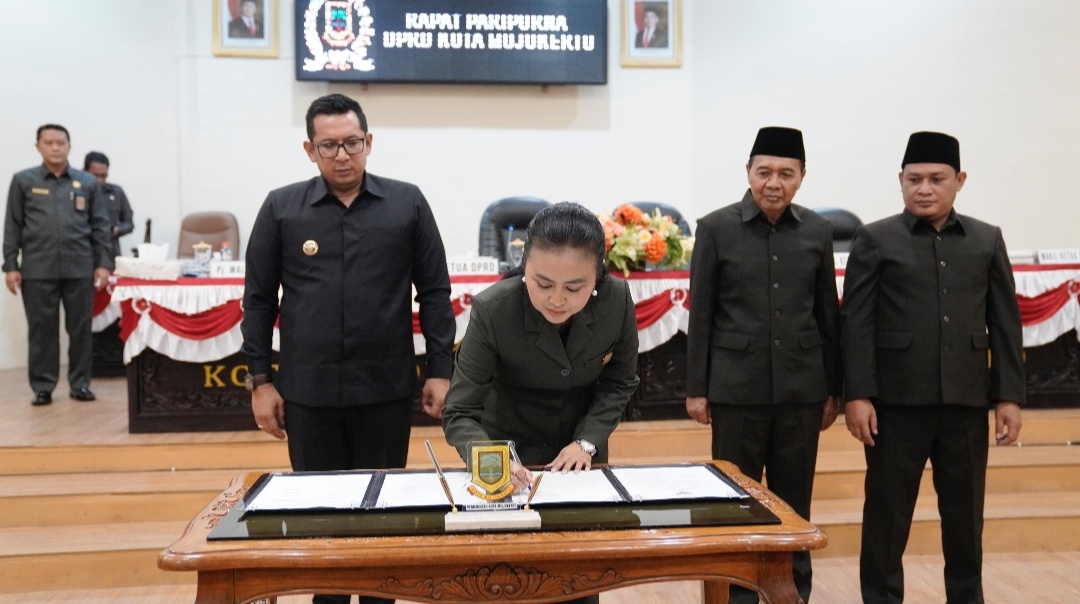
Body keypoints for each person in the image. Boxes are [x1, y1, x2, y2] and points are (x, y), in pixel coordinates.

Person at [241, 93, 455, 604]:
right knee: (321, 518)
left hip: (383, 389)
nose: (342, 155)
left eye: (352, 143)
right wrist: (260, 381)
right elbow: (257, 298)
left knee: (383, 516)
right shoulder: (281, 207)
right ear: (309, 150)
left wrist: (441, 369)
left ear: (369, 142)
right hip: (308, 392)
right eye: (329, 145)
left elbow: (435, 291)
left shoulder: (408, 203)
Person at [842, 131, 1025, 604]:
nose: (924, 188)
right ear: (900, 181)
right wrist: (856, 394)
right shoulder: (875, 238)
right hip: (895, 407)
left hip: (965, 405)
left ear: (959, 180)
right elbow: (856, 322)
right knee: (886, 519)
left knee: (966, 523)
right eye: (914, 179)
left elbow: (1005, 323)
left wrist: (1008, 396)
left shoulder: (987, 240)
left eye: (936, 179)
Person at [685, 126, 841, 603]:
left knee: (795, 505)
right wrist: (697, 387)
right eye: (765, 172)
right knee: (735, 503)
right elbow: (703, 312)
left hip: (801, 392)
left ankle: (794, 594)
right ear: (748, 173)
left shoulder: (817, 231)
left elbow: (827, 315)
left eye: (786, 174)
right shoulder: (716, 227)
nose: (774, 182)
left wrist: (833, 388)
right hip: (735, 391)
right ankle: (738, 596)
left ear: (802, 177)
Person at [442, 201, 640, 483]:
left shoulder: (616, 301)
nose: (557, 300)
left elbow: (620, 382)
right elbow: (459, 411)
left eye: (574, 288)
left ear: (597, 275)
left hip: (580, 457)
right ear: (524, 265)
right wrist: (490, 462)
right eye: (543, 284)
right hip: (508, 455)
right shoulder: (493, 310)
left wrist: (587, 441)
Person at [4, 124, 113, 405]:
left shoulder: (86, 183)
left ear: (69, 146)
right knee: (42, 332)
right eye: (49, 142)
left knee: (80, 332)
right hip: (37, 270)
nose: (55, 147)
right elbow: (12, 226)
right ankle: (43, 386)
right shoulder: (23, 181)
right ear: (38, 146)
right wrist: (10, 265)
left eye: (60, 142)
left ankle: (80, 384)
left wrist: (103, 264)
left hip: (80, 269)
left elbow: (101, 226)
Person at [84, 151, 134, 261]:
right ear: (85, 172)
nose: (100, 180)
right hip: (84, 252)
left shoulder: (116, 192)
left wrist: (115, 230)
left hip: (110, 252)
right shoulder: (77, 192)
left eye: (104, 176)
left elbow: (129, 223)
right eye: (95, 176)